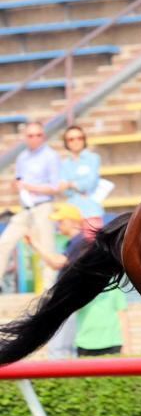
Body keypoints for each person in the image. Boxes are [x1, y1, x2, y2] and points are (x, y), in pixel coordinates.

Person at [0, 122, 61, 290]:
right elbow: (19, 180)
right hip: (25, 208)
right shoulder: (22, 157)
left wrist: (29, 187)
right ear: (25, 138)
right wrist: (17, 185)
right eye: (31, 135)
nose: (35, 139)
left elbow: (54, 187)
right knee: (4, 243)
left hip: (43, 206)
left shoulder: (51, 156)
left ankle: (48, 291)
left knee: (47, 248)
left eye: (38, 135)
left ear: (44, 136)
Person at [22, 203, 88, 358]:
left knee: (60, 349)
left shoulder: (81, 242)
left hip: (68, 301)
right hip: (66, 300)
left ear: (71, 222)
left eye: (61, 221)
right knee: (60, 347)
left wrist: (35, 243)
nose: (58, 225)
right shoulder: (74, 243)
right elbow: (55, 263)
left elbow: (57, 262)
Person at [58, 124, 103, 240]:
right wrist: (77, 185)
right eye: (71, 139)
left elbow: (90, 184)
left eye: (79, 138)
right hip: (73, 214)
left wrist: (70, 184)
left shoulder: (93, 158)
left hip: (90, 211)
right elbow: (65, 191)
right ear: (66, 142)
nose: (76, 142)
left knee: (93, 250)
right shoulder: (65, 163)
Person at [75, 287, 128, 356]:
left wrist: (127, 345)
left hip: (113, 343)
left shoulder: (115, 287)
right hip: (85, 344)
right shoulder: (80, 288)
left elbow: (123, 317)